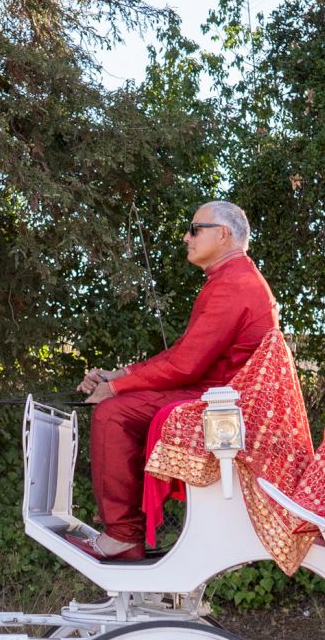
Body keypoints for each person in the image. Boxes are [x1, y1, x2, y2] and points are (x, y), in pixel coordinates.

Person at [75, 201, 274, 560]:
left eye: (194, 229)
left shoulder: (234, 285)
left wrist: (115, 389)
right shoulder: (231, 279)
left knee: (113, 414)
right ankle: (126, 531)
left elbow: (185, 366)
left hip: (222, 408)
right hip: (216, 400)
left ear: (223, 234)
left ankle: (123, 534)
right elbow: (183, 354)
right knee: (117, 406)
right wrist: (119, 374)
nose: (186, 237)